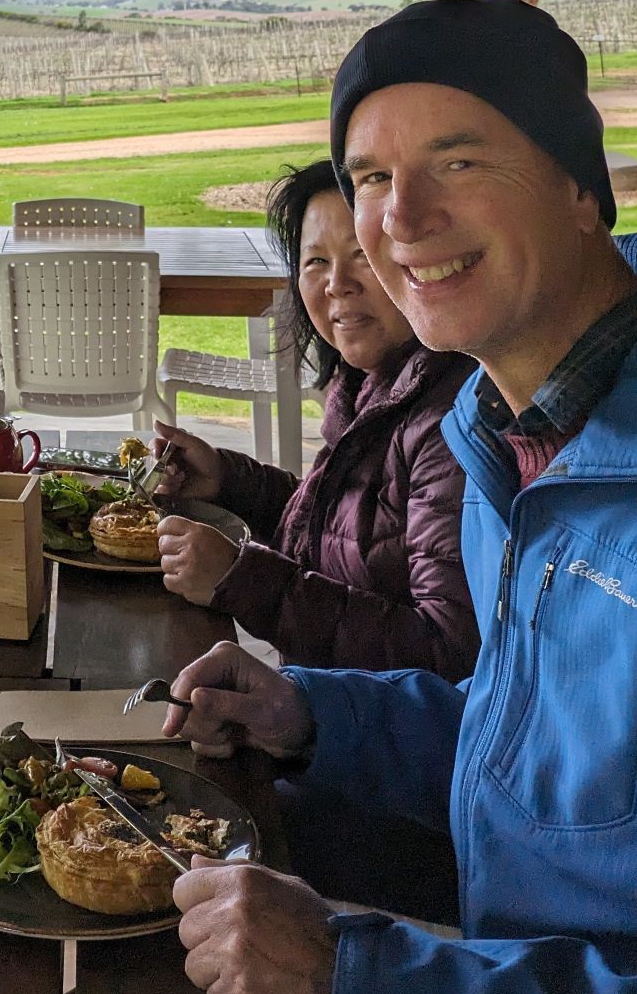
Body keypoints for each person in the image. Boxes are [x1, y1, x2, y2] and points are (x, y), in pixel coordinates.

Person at [160, 0, 637, 994]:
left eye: (457, 160)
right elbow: (541, 742)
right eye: (368, 174)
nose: (399, 216)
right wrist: (312, 709)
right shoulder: (501, 434)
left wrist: (364, 984)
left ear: (578, 188)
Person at [154, 158, 477, 677]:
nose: (337, 284)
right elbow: (339, 534)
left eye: (363, 257)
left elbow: (445, 652)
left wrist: (241, 578)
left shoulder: (450, 423)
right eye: (315, 262)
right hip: (315, 709)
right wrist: (225, 479)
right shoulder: (371, 385)